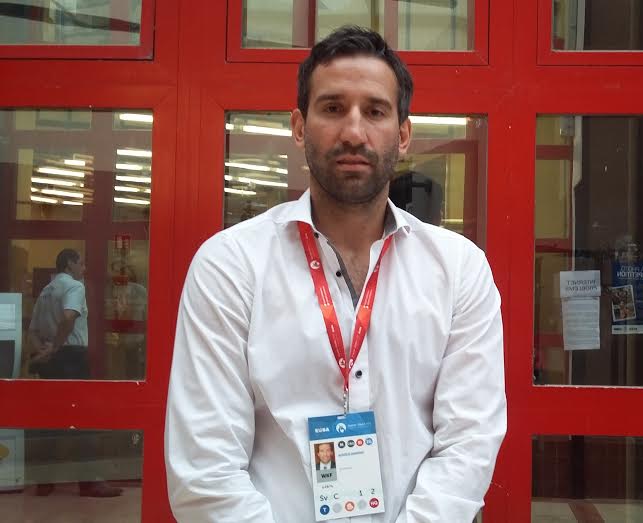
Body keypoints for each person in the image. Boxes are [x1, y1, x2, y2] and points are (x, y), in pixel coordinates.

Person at [165, 26, 506, 523]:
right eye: (332, 108)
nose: (353, 132)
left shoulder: (458, 269)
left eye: (375, 111)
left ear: (403, 135)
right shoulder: (230, 265)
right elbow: (204, 471)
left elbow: (469, 445)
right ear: (299, 127)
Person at [27, 248, 122, 498]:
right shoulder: (75, 287)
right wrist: (57, 346)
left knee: (50, 420)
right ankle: (89, 482)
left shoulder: (46, 291)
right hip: (71, 358)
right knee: (84, 420)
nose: (84, 268)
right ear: (70, 263)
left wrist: (45, 352)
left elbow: (33, 330)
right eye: (82, 263)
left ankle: (44, 482)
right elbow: (69, 317)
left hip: (51, 362)